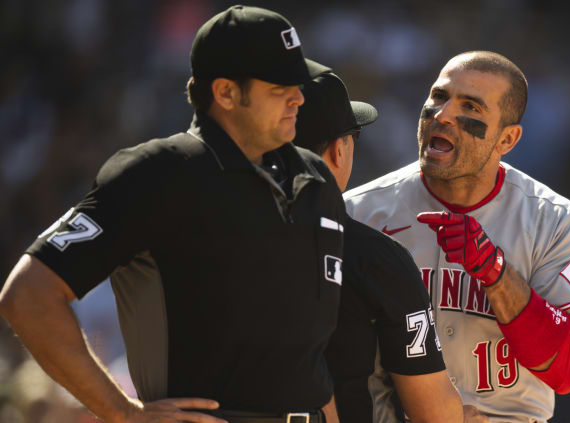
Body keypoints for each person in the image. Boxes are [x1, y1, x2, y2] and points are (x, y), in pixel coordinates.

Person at [0, 6, 345, 423]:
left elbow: (313, 355)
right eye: (280, 87)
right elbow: (28, 295)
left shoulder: (317, 180)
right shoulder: (158, 172)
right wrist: (123, 412)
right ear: (226, 93)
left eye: (299, 83)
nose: (299, 97)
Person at [344, 51, 570, 423]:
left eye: (471, 107)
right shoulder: (359, 212)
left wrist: (495, 273)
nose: (443, 115)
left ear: (506, 139)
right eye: (439, 96)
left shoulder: (553, 221)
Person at [293, 71, 464, 423]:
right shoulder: (375, 257)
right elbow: (433, 413)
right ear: (339, 150)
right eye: (352, 135)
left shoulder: (218, 236)